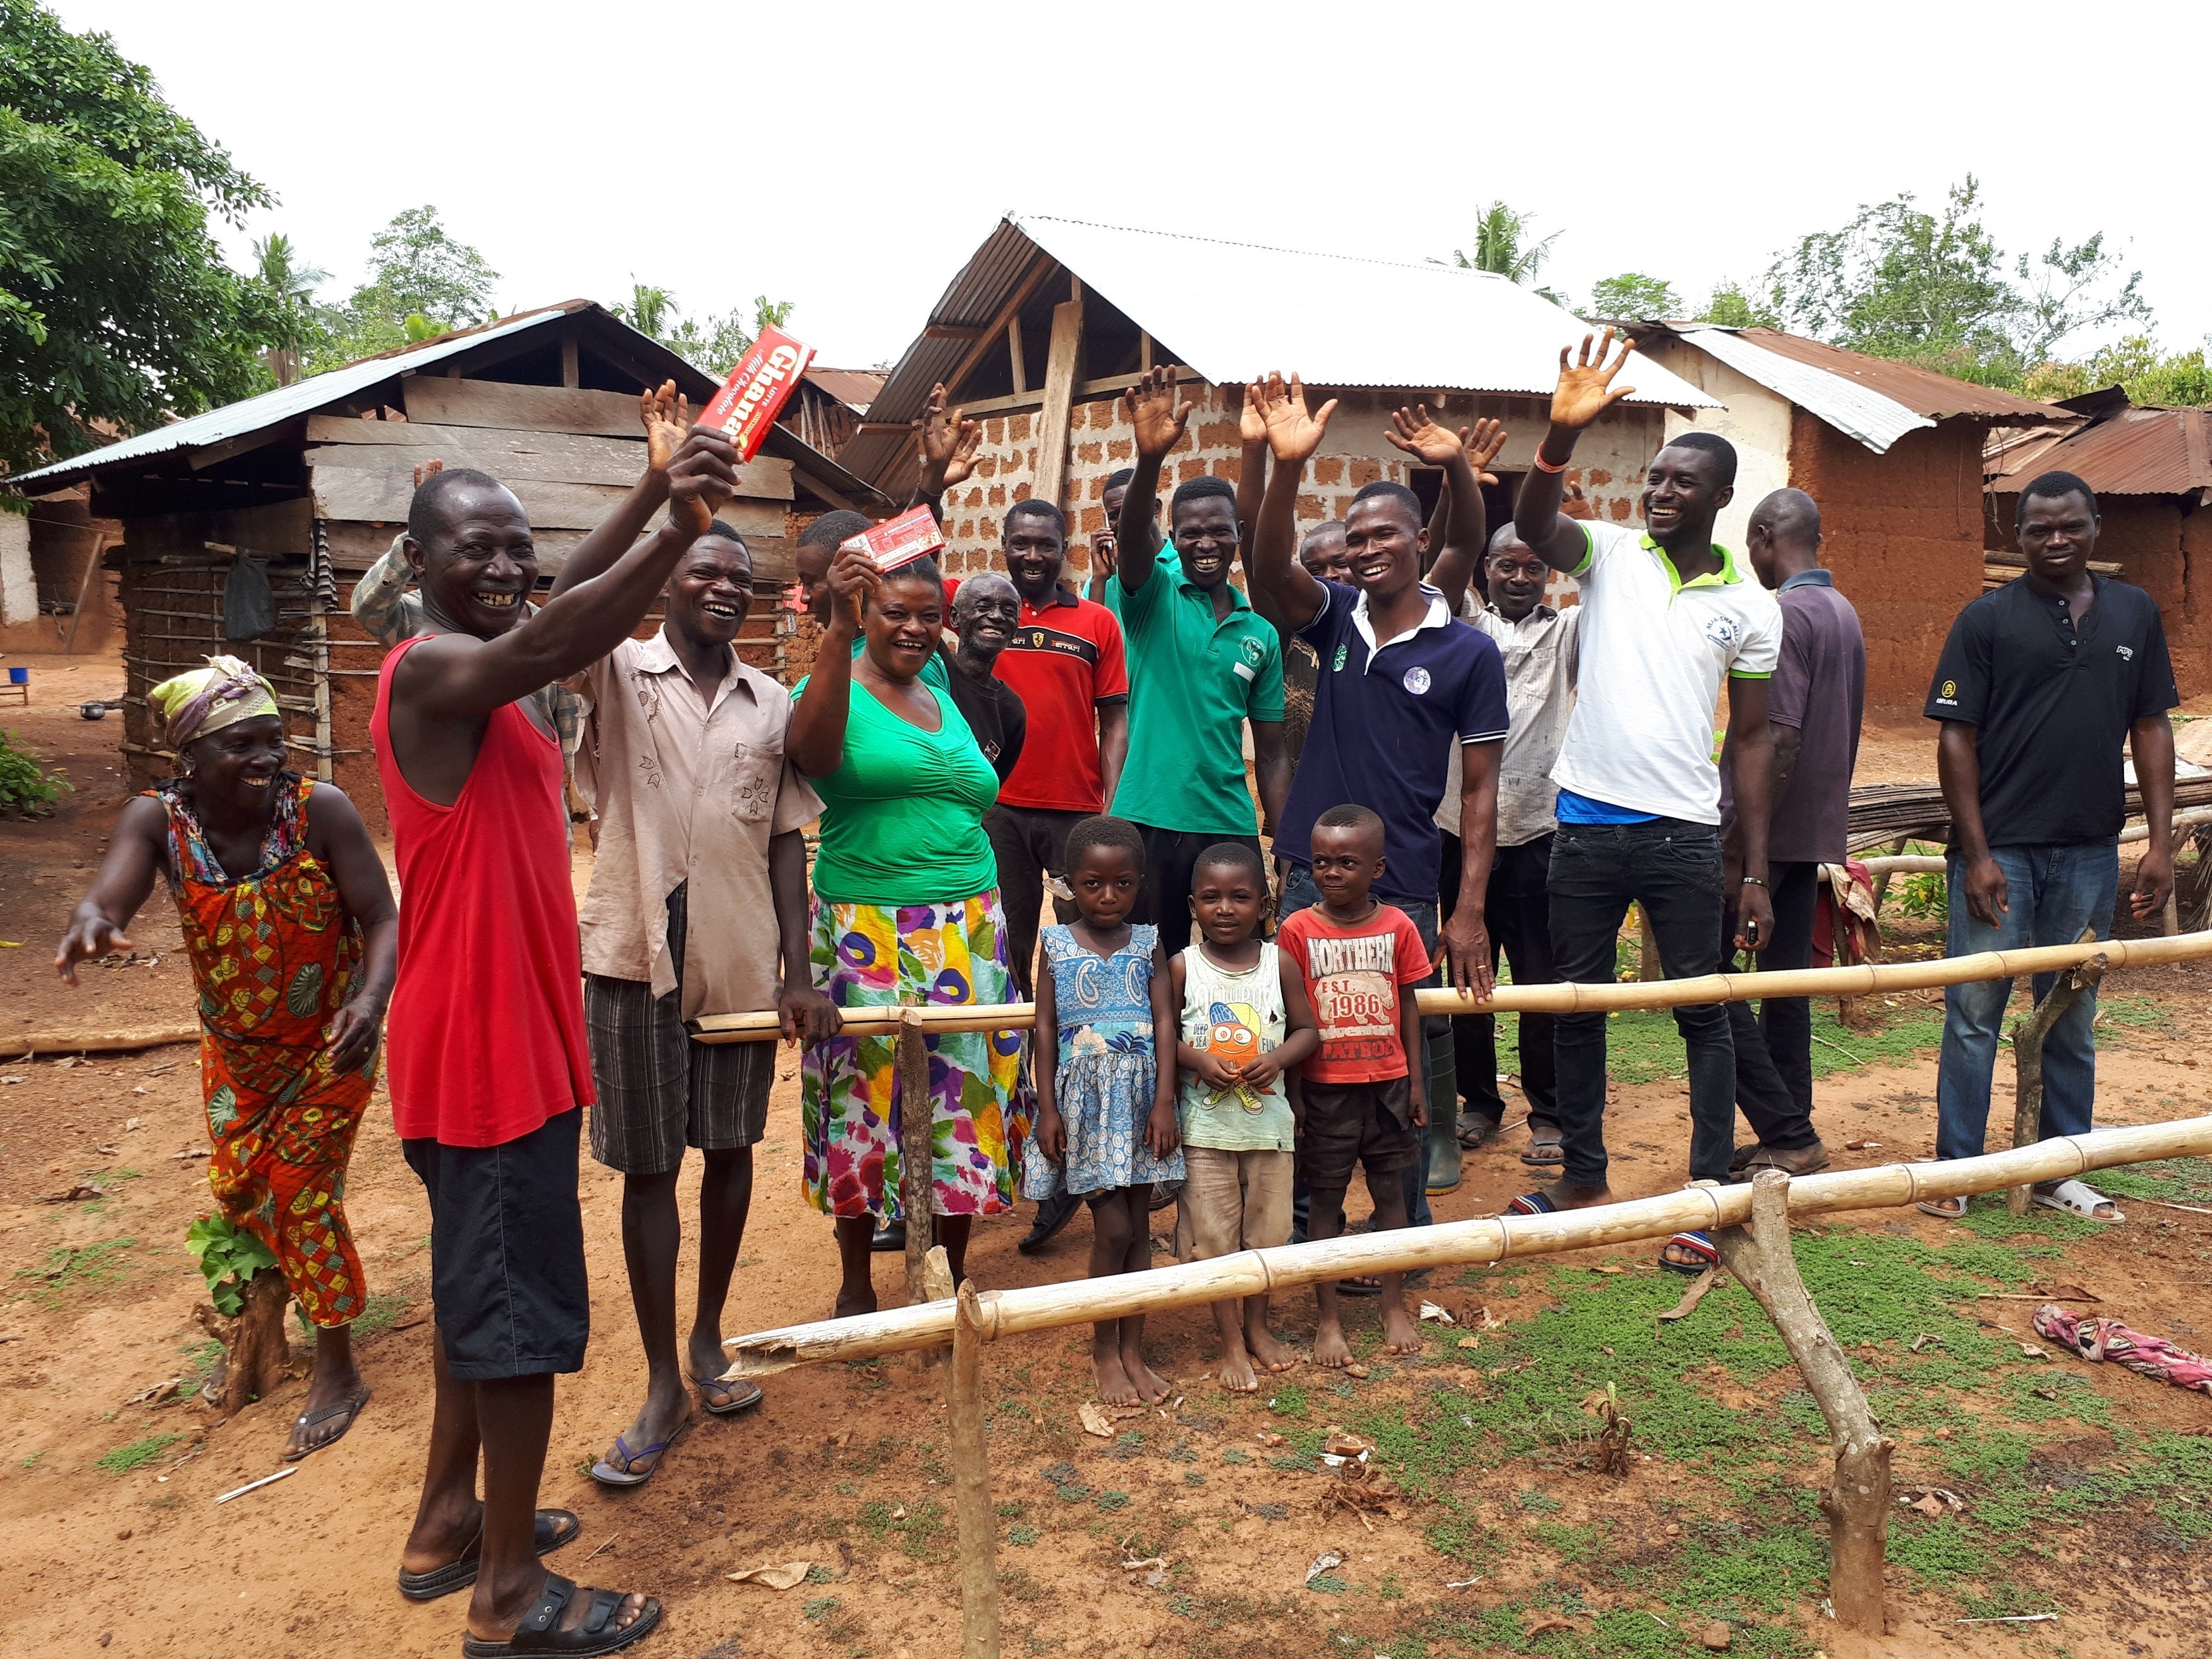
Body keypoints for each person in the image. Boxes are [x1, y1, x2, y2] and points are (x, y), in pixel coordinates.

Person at [375, 419, 739, 1653]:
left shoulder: (494, 664)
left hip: (508, 1038)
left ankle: (448, 1523)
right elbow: (551, 632)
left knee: (479, 1301)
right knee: (515, 1322)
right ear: (416, 560)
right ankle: (509, 1593)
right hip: (482, 1053)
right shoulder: (430, 670)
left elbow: (553, 610)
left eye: (516, 549)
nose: (504, 568)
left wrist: (648, 490)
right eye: (473, 549)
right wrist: (677, 528)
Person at [56, 657, 397, 1461]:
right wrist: (92, 919)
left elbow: (381, 916)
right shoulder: (158, 820)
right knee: (242, 1189)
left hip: (331, 1043)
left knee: (299, 1191)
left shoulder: (320, 810)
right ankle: (261, 1335)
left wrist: (371, 1001)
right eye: (241, 744)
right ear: (191, 757)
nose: (265, 757)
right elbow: (112, 892)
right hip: (236, 1058)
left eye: (273, 740)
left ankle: (338, 1369)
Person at [1501, 332, 1784, 1277]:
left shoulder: (1751, 607)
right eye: (1655, 478)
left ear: (1720, 497)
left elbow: (1752, 740)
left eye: (1680, 482)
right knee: (1577, 1008)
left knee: (1700, 1011)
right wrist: (1559, 435)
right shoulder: (1611, 554)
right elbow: (1536, 525)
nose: (1660, 492)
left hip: (1683, 839)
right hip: (1583, 828)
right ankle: (1584, 1176)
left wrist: (1751, 867)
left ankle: (1706, 1191)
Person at [568, 517, 839, 1490]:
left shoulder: (772, 702)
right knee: (649, 1169)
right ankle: (659, 1384)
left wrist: (798, 971)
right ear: (666, 581)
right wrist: (663, 512)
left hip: (738, 957)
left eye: (740, 576)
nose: (725, 587)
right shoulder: (616, 670)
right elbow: (570, 599)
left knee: (729, 1149)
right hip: (633, 953)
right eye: (703, 570)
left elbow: (785, 840)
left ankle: (709, 1338)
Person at [1243, 370, 1509, 1234]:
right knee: (1303, 1041)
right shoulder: (1335, 618)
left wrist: (1468, 911)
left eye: (1383, 534)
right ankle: (1302, 1228)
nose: (1364, 550)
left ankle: (1402, 1230)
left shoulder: (1467, 652)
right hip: (1307, 878)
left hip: (1405, 882)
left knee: (1398, 1055)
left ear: (1418, 541)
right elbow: (1268, 568)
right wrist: (1286, 466)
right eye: (1354, 538)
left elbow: (1480, 790)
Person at [1921, 469, 2177, 1224]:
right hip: (2001, 853)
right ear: (2018, 536)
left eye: (2069, 526)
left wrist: (2159, 844)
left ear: (2096, 527)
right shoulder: (1985, 619)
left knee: (2068, 1008)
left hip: (2089, 851)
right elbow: (1955, 738)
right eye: (2038, 529)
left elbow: (2150, 726)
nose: (2055, 539)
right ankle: (1956, 1169)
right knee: (1973, 1011)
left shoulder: (2134, 612)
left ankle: (2058, 1168)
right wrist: (1976, 855)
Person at [787, 547, 1028, 1315]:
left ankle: (947, 1276)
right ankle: (856, 1285)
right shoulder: (829, 684)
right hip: (868, 928)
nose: (915, 628)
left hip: (970, 928)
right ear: (863, 613)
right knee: (864, 1099)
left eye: (930, 615)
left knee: (963, 1101)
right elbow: (809, 757)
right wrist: (834, 629)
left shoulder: (937, 690)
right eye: (895, 612)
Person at [1109, 367, 1291, 940]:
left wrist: (1284, 842)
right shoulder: (1151, 598)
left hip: (1228, 821)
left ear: (1239, 535)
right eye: (1190, 533)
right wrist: (1150, 460)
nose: (1205, 543)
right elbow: (1132, 541)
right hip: (1148, 817)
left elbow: (1273, 753)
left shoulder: (1259, 632)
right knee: (1150, 960)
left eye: (1219, 531)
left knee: (1241, 963)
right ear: (1173, 538)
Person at [1716, 489, 1864, 1178]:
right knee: (1784, 987)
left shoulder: (1786, 614)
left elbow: (1777, 740)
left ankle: (1785, 1128)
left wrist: (1740, 853)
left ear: (1762, 535)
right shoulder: (1840, 611)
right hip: (1808, 833)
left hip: (1766, 838)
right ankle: (1789, 1133)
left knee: (1703, 981)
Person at [1025, 816, 1182, 1402]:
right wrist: (1047, 1108)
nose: (1108, 896)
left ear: (1140, 882)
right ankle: (1102, 1347)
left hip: (1141, 1102)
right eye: (1093, 884)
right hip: (1086, 1107)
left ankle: (1133, 1349)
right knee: (1112, 1226)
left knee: (1139, 1229)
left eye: (1122, 883)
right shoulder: (1056, 944)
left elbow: (1164, 1021)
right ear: (1070, 884)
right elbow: (1045, 1028)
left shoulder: (1148, 942)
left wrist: (1164, 1101)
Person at [1437, 523, 1579, 1163]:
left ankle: (1547, 1110)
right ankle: (1479, 1101)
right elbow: (1446, 573)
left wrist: (1578, 526)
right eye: (1505, 566)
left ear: (1549, 574)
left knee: (1540, 978)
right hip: (1457, 827)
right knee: (1469, 973)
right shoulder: (1466, 625)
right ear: (1485, 570)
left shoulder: (1566, 631)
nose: (1520, 578)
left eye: (1533, 567)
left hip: (1536, 829)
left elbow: (1604, 590)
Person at [1277, 806, 1432, 1367]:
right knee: (1325, 1201)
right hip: (1326, 1091)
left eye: (1347, 862)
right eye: (1321, 862)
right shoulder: (1296, 930)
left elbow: (1409, 1006)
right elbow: (1291, 1020)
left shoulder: (1399, 926)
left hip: (1388, 1087)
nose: (1332, 873)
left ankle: (1393, 1304)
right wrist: (1296, 1095)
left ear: (1377, 868)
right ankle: (1328, 1318)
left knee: (1392, 1196)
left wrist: (1416, 1082)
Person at [1171, 841, 1318, 1390]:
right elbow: (1165, 1037)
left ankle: (1258, 1326)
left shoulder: (1279, 963)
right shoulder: (1183, 967)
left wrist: (1277, 1060)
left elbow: (1308, 1031)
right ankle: (1231, 1340)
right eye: (1211, 897)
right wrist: (1196, 1060)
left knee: (1269, 1235)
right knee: (1213, 1239)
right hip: (1204, 1132)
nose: (1225, 908)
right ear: (1193, 906)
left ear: (1265, 904)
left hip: (1269, 1130)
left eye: (1240, 896)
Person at [987, 497, 1131, 997]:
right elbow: (909, 570)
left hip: (1076, 812)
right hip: (999, 809)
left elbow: (1114, 720)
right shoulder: (984, 614)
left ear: (1063, 549)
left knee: (1084, 936)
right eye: (1021, 543)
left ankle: (1079, 1036)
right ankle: (1016, 1041)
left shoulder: (1097, 622)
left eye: (1046, 545)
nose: (1033, 556)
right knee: (1007, 940)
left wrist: (1111, 808)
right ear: (1004, 546)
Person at [940, 571, 1028, 784]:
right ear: (955, 617)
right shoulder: (932, 672)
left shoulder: (1010, 710)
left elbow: (989, 786)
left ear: (1016, 628)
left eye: (1008, 611)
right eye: (984, 607)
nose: (997, 616)